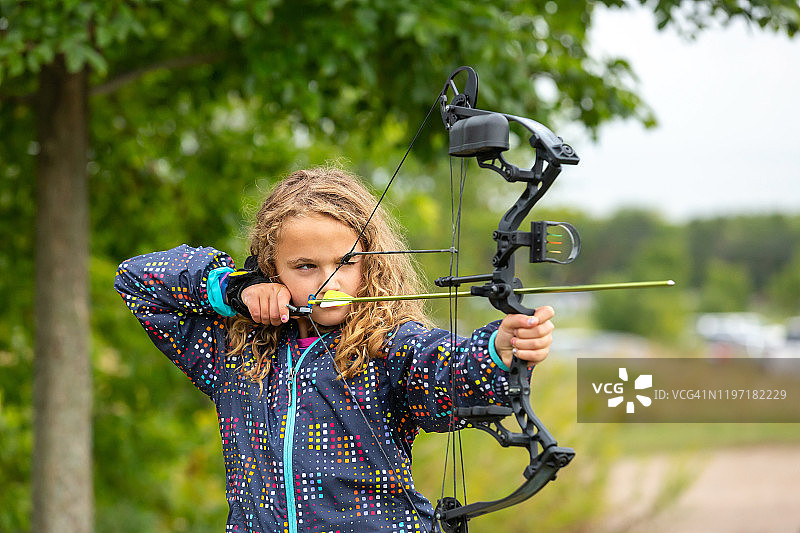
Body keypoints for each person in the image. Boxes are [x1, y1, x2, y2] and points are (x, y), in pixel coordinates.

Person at [114, 167, 555, 533]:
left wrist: (498, 349)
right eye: (305, 266)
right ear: (272, 269)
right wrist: (235, 290)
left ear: (370, 261)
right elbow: (136, 280)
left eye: (346, 262)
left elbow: (445, 368)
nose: (329, 281)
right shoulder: (235, 351)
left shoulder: (387, 346)